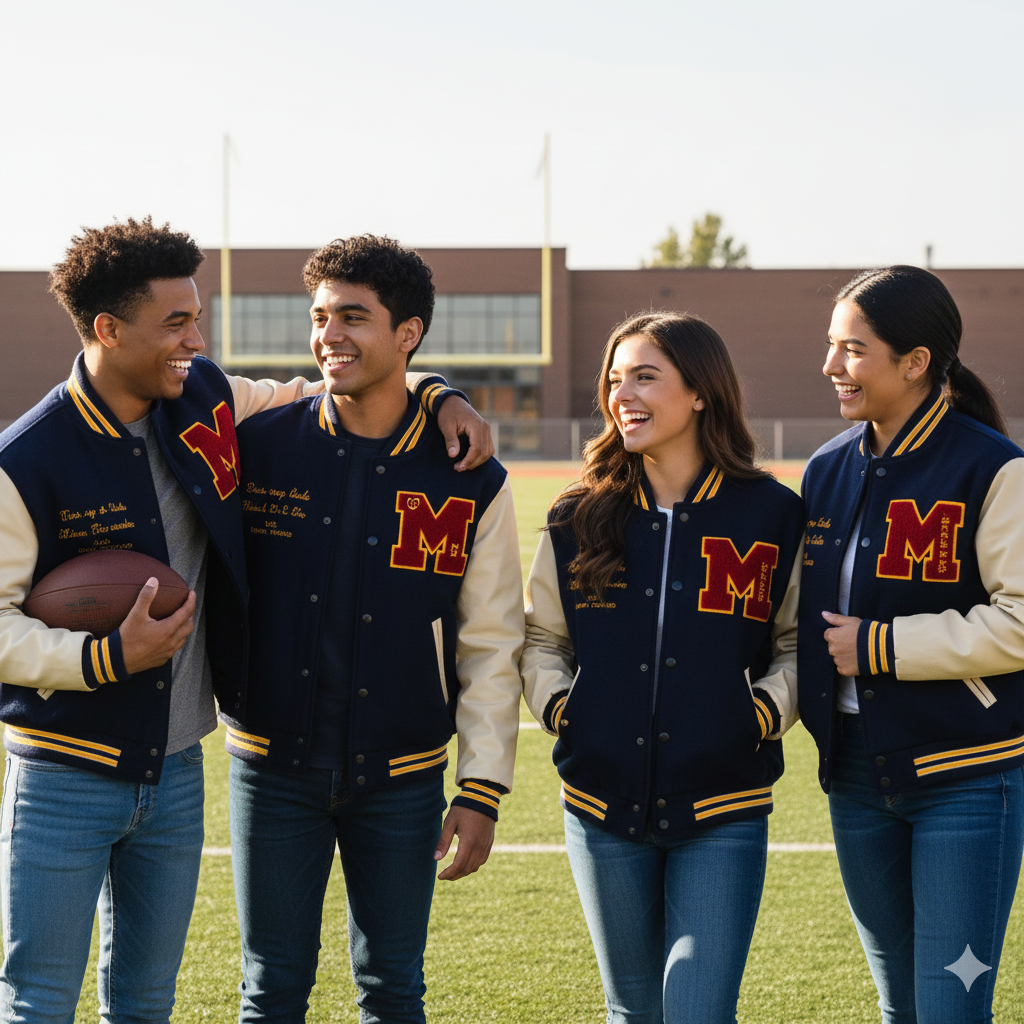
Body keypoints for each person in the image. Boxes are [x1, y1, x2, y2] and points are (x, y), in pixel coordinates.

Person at [0, 218, 491, 1024]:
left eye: (197, 316)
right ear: (108, 330)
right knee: (39, 1002)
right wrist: (99, 658)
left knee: (146, 1003)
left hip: (177, 768)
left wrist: (440, 393)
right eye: (178, 322)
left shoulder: (202, 394)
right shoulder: (28, 459)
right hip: (64, 769)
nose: (199, 338)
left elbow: (340, 390)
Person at [226, 234, 524, 1024]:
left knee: (393, 989)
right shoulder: (258, 442)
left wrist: (483, 787)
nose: (330, 335)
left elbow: (491, 641)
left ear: (408, 333)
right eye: (321, 316)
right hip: (271, 766)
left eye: (354, 317)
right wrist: (437, 387)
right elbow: (174, 394)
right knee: (270, 988)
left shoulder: (469, 475)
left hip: (402, 775)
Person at [520, 311, 804, 1023]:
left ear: (701, 391)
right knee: (633, 1011)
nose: (624, 395)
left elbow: (797, 644)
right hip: (599, 806)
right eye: (615, 381)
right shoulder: (577, 515)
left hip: (724, 804)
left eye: (645, 376)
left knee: (699, 1013)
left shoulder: (772, 515)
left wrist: (759, 713)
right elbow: (541, 641)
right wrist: (567, 709)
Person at [799, 265, 1024, 1023]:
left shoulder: (993, 467)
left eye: (853, 349)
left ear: (916, 361)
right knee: (899, 1006)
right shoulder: (827, 469)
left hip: (967, 776)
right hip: (856, 776)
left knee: (951, 1010)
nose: (832, 366)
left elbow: (1021, 620)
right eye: (832, 346)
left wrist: (883, 648)